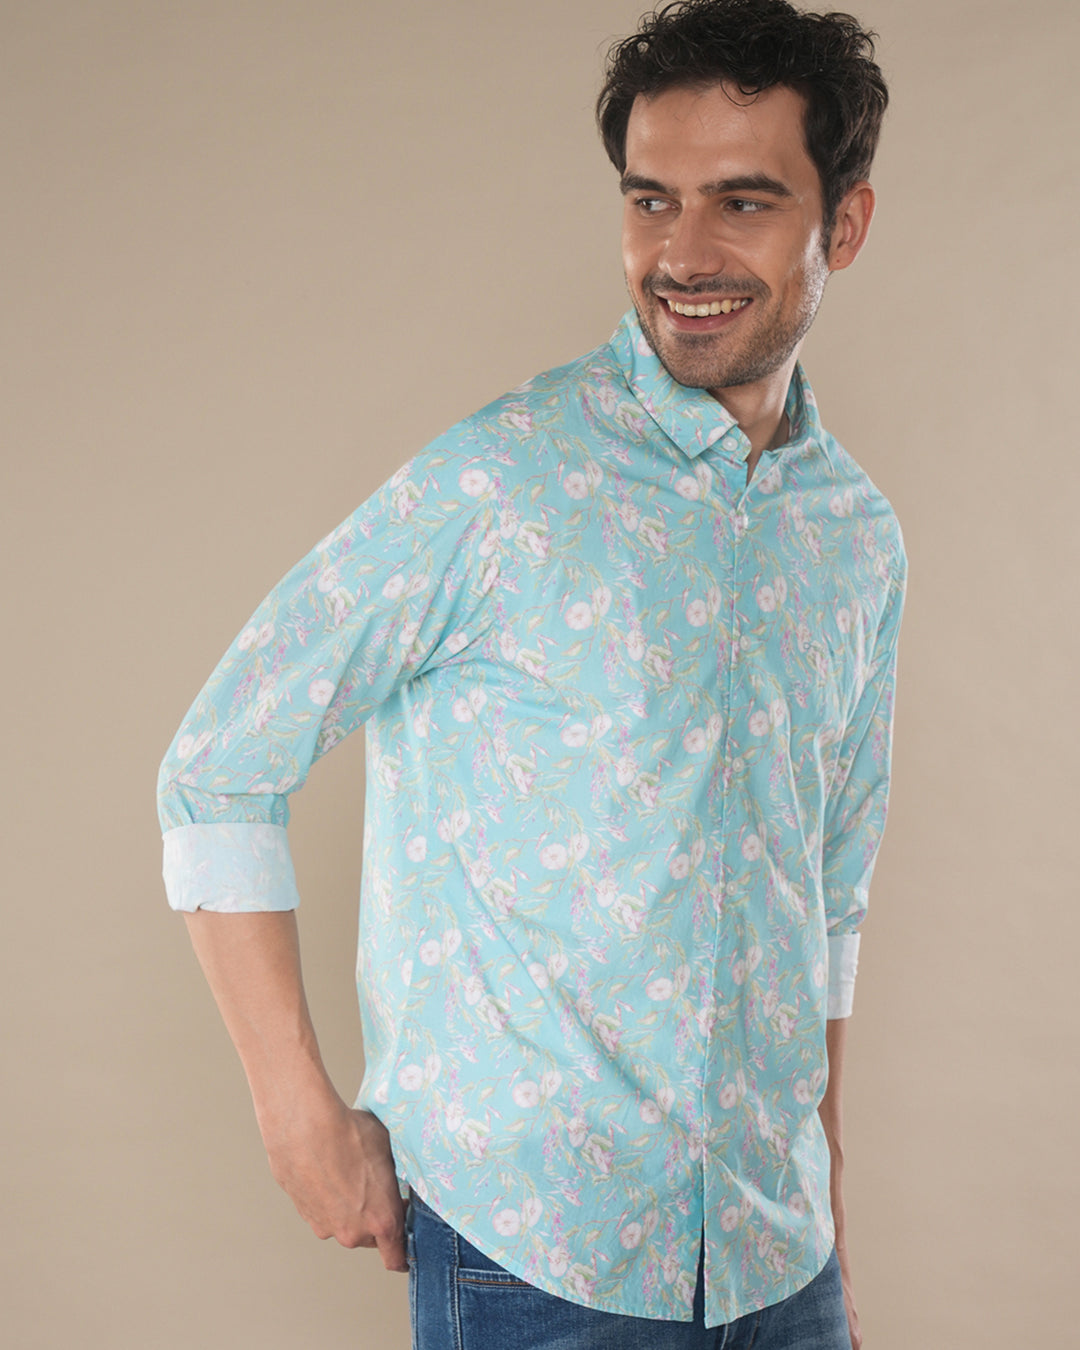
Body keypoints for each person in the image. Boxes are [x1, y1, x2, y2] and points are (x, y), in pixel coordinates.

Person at [157, 2, 903, 1346]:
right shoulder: (503, 481)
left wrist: (828, 1199)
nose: (683, 254)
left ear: (842, 225)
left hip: (778, 1256)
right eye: (651, 200)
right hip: (535, 1257)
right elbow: (215, 768)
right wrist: (297, 1116)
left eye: (742, 202)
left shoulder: (856, 537)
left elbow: (828, 894)